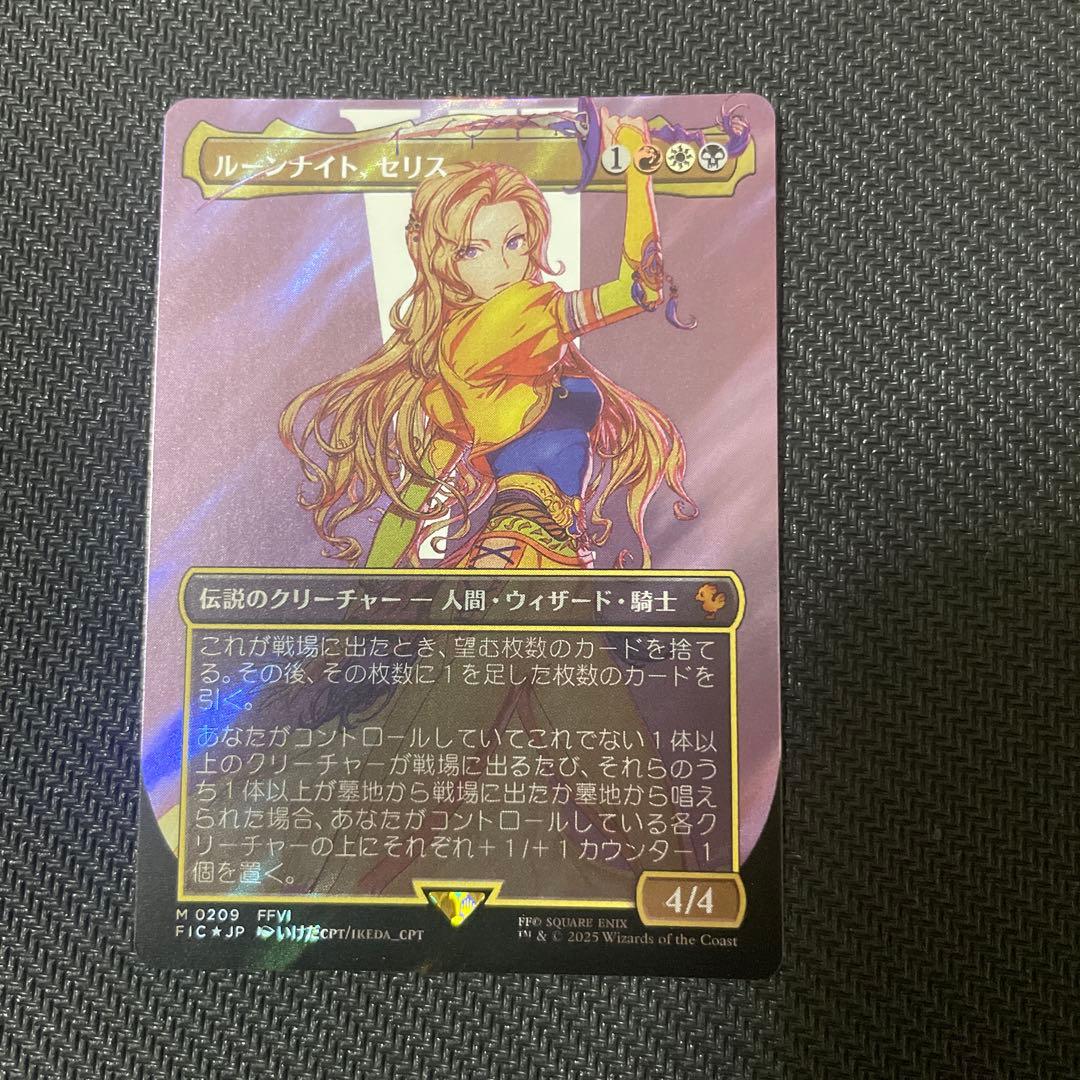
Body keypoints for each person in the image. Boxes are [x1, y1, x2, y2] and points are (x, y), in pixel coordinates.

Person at [280, 107, 696, 572]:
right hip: (523, 559)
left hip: (533, 557)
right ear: (443, 262)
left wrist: (372, 589)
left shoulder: (474, 351)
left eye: (515, 242)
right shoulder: (510, 318)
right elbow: (640, 290)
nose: (503, 266)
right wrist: (637, 168)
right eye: (472, 250)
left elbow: (414, 497)